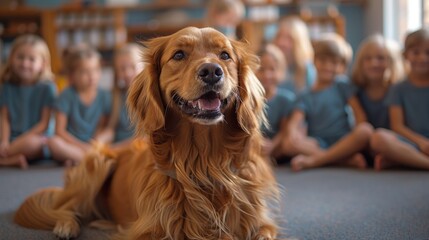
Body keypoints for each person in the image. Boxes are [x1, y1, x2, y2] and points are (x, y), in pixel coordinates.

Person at [286, 33, 373, 171]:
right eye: (323, 60)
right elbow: (295, 120)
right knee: (288, 143)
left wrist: (358, 135)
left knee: (366, 130)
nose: (328, 66)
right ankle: (342, 160)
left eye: (333, 62)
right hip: (318, 143)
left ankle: (316, 161)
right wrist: (292, 132)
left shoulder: (341, 85)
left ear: (341, 66)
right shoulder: (305, 95)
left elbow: (359, 115)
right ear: (314, 61)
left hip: (343, 140)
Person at [371, 28, 429, 170]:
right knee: (378, 138)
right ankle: (424, 163)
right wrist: (421, 142)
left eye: (428, 53)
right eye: (416, 52)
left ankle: (404, 160)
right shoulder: (398, 89)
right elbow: (397, 126)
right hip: (411, 142)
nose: (423, 58)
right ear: (405, 55)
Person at [47, 44, 111, 166]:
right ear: (71, 76)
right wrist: (82, 146)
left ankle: (77, 159)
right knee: (53, 142)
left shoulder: (105, 96)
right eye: (84, 72)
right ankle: (89, 160)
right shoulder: (66, 96)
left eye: (95, 70)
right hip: (71, 143)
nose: (91, 76)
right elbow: (59, 131)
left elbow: (101, 126)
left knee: (109, 135)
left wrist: (93, 143)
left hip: (92, 144)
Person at [0, 34, 56, 168]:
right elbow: (4, 118)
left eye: (31, 59)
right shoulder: (7, 87)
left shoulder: (48, 87)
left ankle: (5, 158)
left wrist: (19, 142)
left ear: (43, 63)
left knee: (33, 144)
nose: (25, 63)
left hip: (35, 139)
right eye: (20, 57)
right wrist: (4, 141)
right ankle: (10, 159)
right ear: (11, 58)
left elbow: (44, 124)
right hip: (11, 139)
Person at [98, 43, 144, 149]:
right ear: (116, 73)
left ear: (144, 67)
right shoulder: (115, 96)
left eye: (133, 67)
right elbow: (110, 130)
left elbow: (146, 137)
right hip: (118, 145)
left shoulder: (150, 97)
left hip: (137, 146)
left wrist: (114, 149)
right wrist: (97, 143)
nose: (127, 73)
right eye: (122, 69)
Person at [256, 43, 295, 161]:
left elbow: (285, 130)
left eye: (272, 69)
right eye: (261, 69)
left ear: (280, 71)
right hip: (255, 144)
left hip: (277, 146)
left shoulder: (286, 99)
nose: (267, 75)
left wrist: (272, 145)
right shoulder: (248, 99)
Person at [273, 16, 316, 94]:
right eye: (279, 36)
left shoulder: (307, 70)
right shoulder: (270, 67)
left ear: (299, 42)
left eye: (289, 38)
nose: (281, 42)